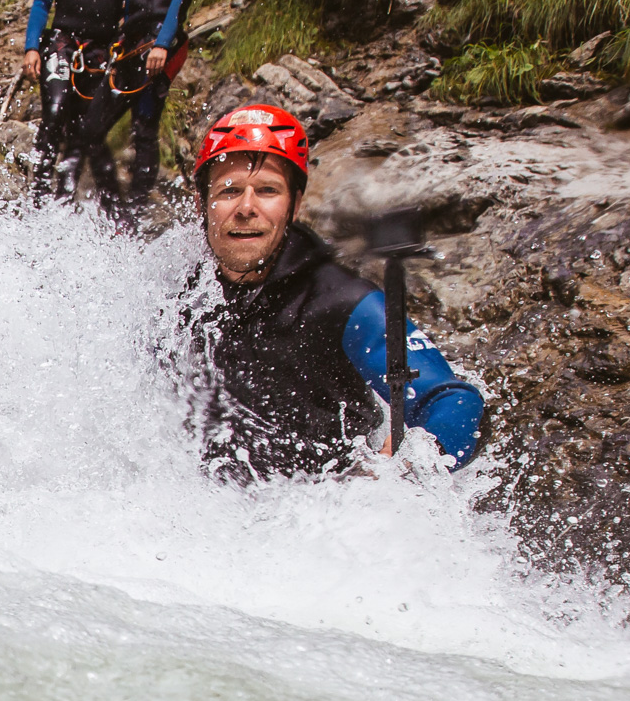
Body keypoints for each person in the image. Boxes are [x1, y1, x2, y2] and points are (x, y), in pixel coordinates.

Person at [185, 105, 485, 481]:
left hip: (322, 513)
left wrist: (406, 464)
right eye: (229, 191)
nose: (247, 207)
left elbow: (453, 400)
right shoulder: (182, 296)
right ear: (201, 204)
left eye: (267, 191)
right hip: (207, 506)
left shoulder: (340, 301)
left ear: (294, 205)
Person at [78, 0, 204, 216]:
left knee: (144, 130)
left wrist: (162, 45)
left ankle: (131, 212)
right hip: (132, 50)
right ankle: (115, 206)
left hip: (159, 49)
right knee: (92, 128)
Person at [21, 0, 139, 197]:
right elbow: (42, 2)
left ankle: (67, 197)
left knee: (84, 129)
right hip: (62, 43)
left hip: (101, 51)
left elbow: (134, 8)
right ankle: (39, 193)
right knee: (56, 109)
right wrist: (32, 47)